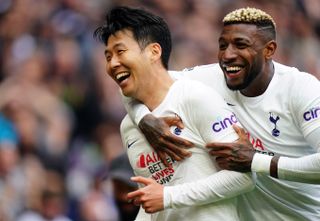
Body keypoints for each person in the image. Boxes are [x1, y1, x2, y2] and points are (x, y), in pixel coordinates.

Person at [124, 7, 320, 221]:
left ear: (269, 50)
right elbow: (136, 79)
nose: (228, 55)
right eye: (223, 45)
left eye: (241, 45)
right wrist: (143, 118)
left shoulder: (301, 89)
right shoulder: (208, 79)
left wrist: (256, 160)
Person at [94, 6, 255, 221]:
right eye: (108, 56)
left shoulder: (195, 97)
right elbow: (153, 198)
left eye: (120, 52)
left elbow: (243, 178)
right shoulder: (129, 127)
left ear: (154, 51)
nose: (113, 63)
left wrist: (169, 196)